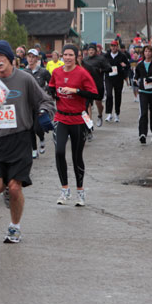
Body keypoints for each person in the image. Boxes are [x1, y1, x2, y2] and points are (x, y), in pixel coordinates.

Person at [0, 41, 54, 243]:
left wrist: (43, 113)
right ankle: (5, 188)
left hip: (20, 139)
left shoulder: (25, 79)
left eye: (1, 57)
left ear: (11, 59)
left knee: (15, 188)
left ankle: (14, 227)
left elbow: (46, 101)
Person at [48, 44, 98, 206]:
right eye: (65, 55)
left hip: (77, 120)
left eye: (70, 55)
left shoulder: (82, 73)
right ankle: (64, 189)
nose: (67, 58)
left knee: (77, 157)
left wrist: (75, 91)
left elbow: (95, 93)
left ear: (76, 57)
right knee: (59, 152)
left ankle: (80, 191)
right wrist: (52, 94)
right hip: (61, 118)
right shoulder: (56, 72)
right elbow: (51, 87)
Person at [22, 48, 51, 159]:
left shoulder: (43, 71)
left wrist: (46, 90)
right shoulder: (24, 72)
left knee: (37, 128)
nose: (31, 59)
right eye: (29, 56)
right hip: (28, 103)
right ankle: (34, 149)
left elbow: (52, 82)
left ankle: (42, 139)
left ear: (37, 58)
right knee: (29, 128)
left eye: (33, 57)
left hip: (40, 103)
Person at [81, 43, 110, 128]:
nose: (91, 51)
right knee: (88, 105)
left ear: (96, 51)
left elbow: (109, 68)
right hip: (87, 86)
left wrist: (101, 70)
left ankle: (100, 115)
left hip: (98, 84)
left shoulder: (101, 59)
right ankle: (89, 124)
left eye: (92, 50)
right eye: (89, 50)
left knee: (98, 103)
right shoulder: (85, 60)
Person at [103, 40, 129, 122]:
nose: (113, 47)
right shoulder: (106, 55)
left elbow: (128, 66)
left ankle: (117, 114)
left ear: (117, 47)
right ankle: (109, 114)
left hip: (118, 78)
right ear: (110, 47)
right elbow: (102, 65)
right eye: (112, 46)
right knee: (109, 95)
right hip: (109, 78)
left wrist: (124, 66)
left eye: (115, 46)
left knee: (118, 96)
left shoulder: (122, 56)